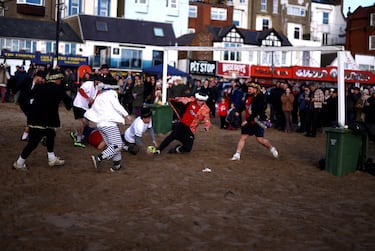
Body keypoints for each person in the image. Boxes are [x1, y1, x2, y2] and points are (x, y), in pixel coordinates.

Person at [13, 68, 73, 170]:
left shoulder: (40, 87)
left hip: (36, 117)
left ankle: (52, 158)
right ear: (58, 79)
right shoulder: (59, 89)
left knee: (50, 134)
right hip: (45, 119)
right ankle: (19, 163)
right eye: (60, 79)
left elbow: (24, 98)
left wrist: (29, 111)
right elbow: (68, 105)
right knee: (33, 142)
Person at [85, 77, 132, 172]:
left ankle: (116, 166)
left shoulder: (100, 95)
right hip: (109, 124)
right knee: (117, 145)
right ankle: (98, 158)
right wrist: (126, 115)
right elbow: (117, 105)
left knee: (113, 146)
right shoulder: (111, 93)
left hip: (100, 124)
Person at [230, 82, 279, 161]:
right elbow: (243, 105)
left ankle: (271, 148)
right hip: (248, 121)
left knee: (260, 139)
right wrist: (238, 111)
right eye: (248, 89)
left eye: (250, 89)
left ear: (256, 90)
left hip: (257, 121)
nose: (248, 90)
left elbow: (257, 111)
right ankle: (237, 154)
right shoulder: (247, 96)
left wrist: (247, 121)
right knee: (243, 137)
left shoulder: (260, 97)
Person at [70, 74, 101, 147]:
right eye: (99, 81)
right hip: (78, 104)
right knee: (82, 122)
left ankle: (75, 134)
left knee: (86, 123)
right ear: (95, 80)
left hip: (85, 107)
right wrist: (88, 98)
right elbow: (81, 90)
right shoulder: (88, 84)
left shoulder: (98, 87)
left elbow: (95, 97)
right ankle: (78, 140)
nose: (100, 82)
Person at [17, 69, 46, 141]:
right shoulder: (27, 80)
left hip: (31, 104)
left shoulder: (39, 85)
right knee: (32, 119)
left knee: (33, 119)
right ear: (37, 77)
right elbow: (19, 87)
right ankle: (31, 136)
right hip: (24, 103)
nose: (42, 80)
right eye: (42, 78)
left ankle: (25, 136)